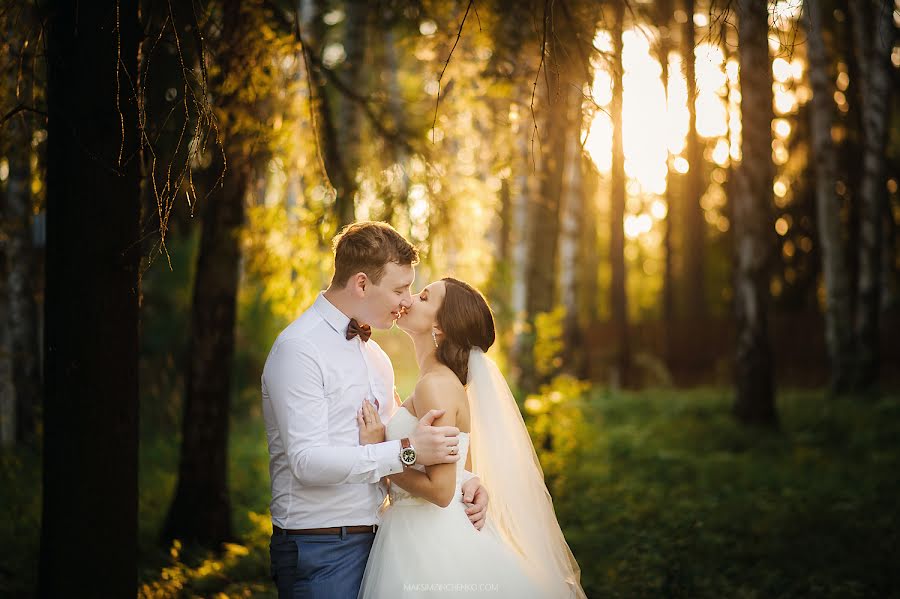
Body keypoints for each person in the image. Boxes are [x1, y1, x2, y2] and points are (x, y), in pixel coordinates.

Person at [262, 222, 490, 598]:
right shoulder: (299, 349)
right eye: (400, 289)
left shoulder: (377, 358)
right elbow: (306, 461)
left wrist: (467, 480)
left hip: (382, 541)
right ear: (363, 284)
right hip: (321, 548)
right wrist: (406, 451)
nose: (406, 301)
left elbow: (405, 442)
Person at [357, 278, 586, 598]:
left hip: (428, 540)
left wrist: (378, 452)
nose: (408, 300)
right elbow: (460, 470)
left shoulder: (435, 385)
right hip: (419, 530)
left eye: (423, 297)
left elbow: (440, 490)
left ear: (441, 324)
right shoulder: (435, 381)